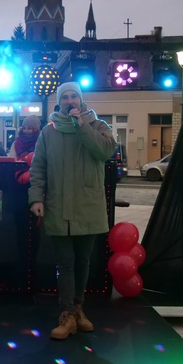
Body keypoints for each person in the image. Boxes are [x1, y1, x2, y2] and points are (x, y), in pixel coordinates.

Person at [29, 82, 116, 340]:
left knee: (83, 261)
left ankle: (79, 309)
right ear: (59, 102)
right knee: (65, 263)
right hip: (59, 207)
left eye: (73, 97)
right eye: (65, 97)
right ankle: (66, 314)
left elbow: (105, 151)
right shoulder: (49, 132)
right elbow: (38, 168)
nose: (69, 101)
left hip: (87, 206)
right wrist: (36, 198)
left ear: (81, 100)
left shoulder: (98, 126)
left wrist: (82, 126)